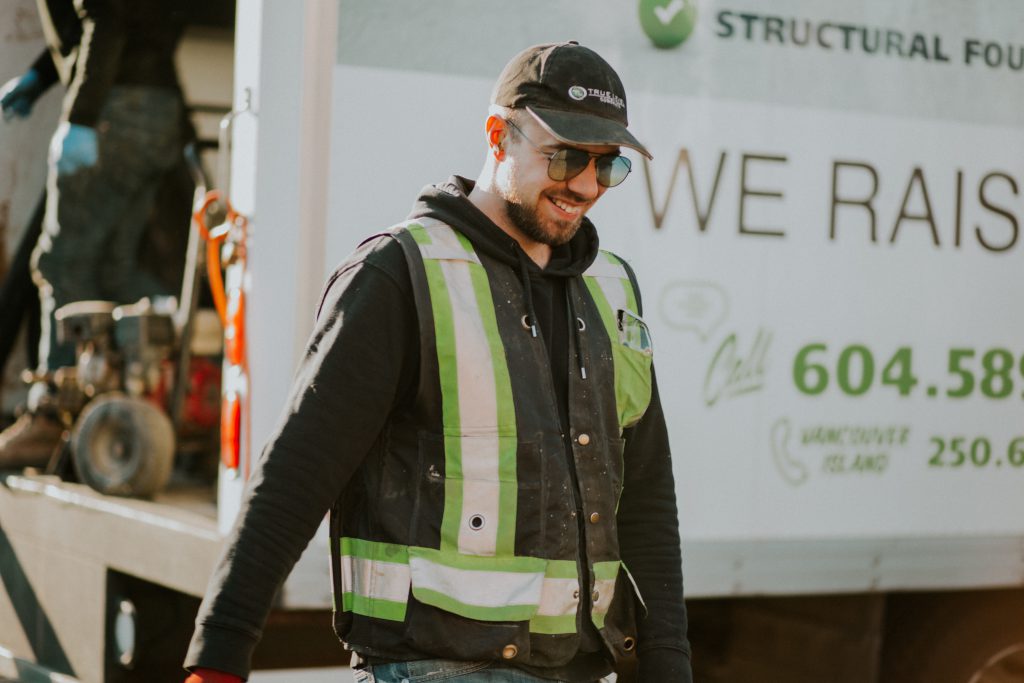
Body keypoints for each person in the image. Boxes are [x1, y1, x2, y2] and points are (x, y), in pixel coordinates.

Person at [184, 42, 692, 683]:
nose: (586, 186)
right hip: (433, 669)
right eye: (564, 157)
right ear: (498, 135)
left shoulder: (611, 288)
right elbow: (295, 475)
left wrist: (668, 661)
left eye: (608, 165)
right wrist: (219, 657)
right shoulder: (400, 274)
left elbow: (644, 493)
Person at [0, 0, 187, 468]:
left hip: (114, 108)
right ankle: (172, 381)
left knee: (61, 263)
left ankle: (50, 417)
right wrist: (39, 79)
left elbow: (106, 14)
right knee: (115, 268)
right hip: (158, 106)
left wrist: (79, 118)